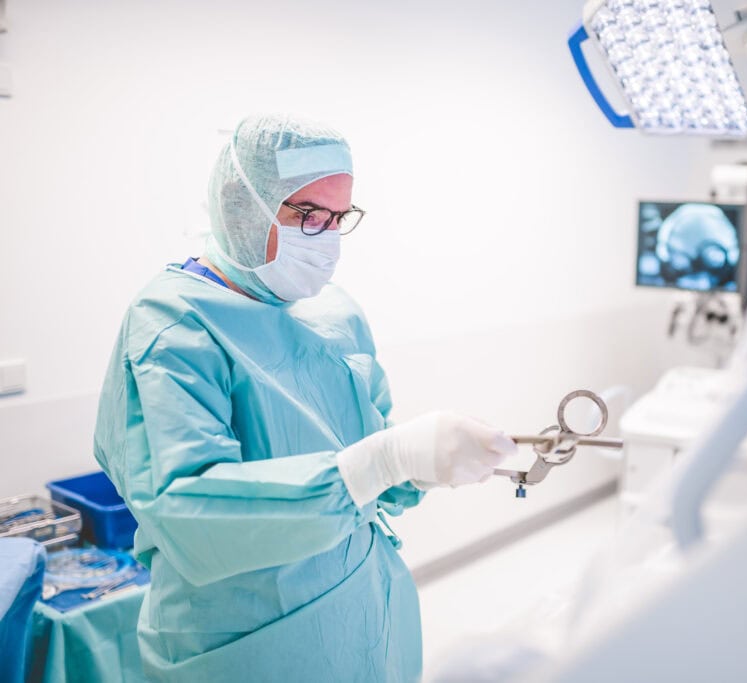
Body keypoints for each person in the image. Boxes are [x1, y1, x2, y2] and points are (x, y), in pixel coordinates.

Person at [94, 114, 516, 681]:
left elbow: (369, 452)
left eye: (339, 218)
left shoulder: (333, 313)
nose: (328, 237)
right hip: (243, 641)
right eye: (309, 215)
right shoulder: (173, 323)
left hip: (361, 613)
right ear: (242, 207)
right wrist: (382, 462)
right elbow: (187, 510)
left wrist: (420, 466)